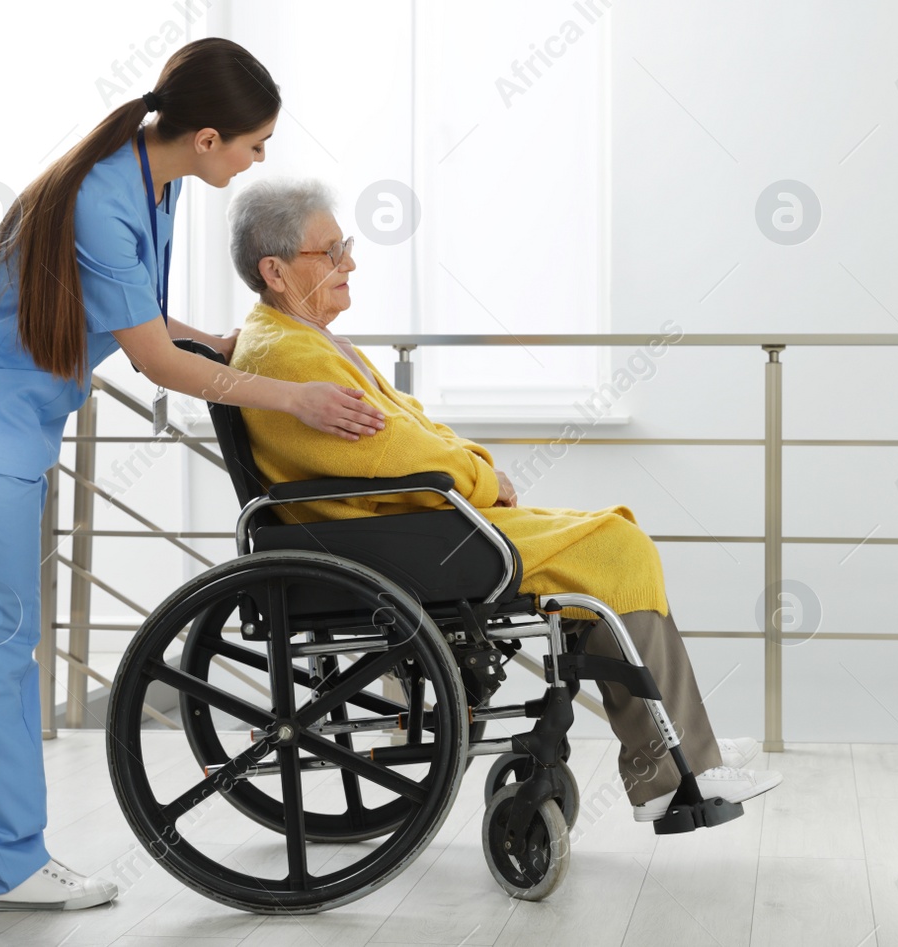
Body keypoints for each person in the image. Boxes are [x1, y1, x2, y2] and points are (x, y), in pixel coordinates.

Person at [0, 39, 387, 912]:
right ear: (210, 136)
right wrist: (294, 397)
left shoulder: (156, 177)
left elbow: (138, 313)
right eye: (257, 144)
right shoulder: (108, 195)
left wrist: (213, 339)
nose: (262, 159)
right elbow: (150, 360)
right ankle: (4, 862)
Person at [225, 176, 783, 820]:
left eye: (344, 245)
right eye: (331, 252)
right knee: (616, 544)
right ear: (275, 269)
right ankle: (671, 773)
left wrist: (472, 472)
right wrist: (482, 477)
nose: (349, 262)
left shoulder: (294, 339)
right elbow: (388, 453)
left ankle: (682, 748)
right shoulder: (289, 354)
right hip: (391, 538)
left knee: (604, 541)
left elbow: (403, 432)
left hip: (406, 527)